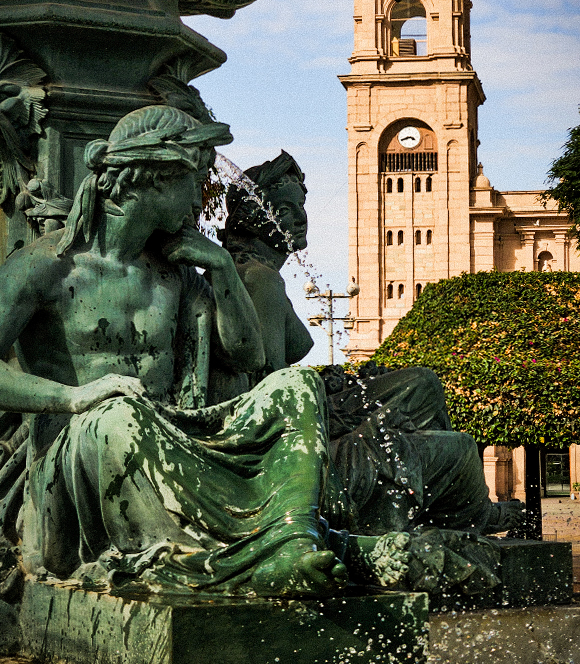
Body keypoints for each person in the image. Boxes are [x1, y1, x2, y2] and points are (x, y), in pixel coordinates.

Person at [0, 105, 410, 598]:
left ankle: (291, 540)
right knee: (117, 414)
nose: (202, 197)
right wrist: (75, 397)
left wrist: (221, 268)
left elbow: (248, 357)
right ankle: (212, 562)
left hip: (174, 428)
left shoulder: (176, 270)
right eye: (195, 181)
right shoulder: (44, 267)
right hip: (81, 447)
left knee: (293, 385)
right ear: (154, 177)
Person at [220, 153, 524, 557]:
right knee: (450, 431)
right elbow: (272, 389)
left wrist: (337, 380)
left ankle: (448, 506)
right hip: (283, 437)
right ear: (255, 217)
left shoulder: (257, 273)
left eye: (301, 209)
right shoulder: (258, 279)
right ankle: (458, 511)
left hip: (298, 410)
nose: (300, 220)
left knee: (420, 383)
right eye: (286, 210)